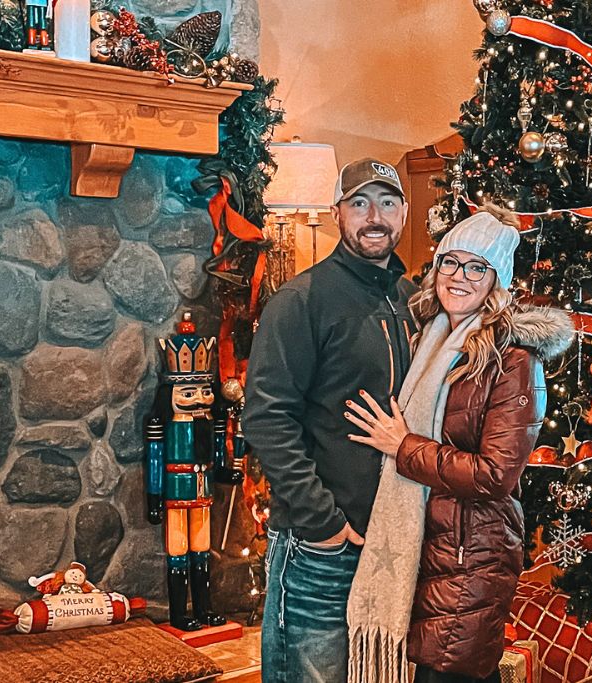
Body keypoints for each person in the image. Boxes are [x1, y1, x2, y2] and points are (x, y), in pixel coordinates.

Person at [344, 208, 574, 683]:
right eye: (451, 262)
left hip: (471, 555)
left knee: (447, 673)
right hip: (432, 546)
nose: (459, 277)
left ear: (496, 281)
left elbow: (495, 474)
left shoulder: (513, 359)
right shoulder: (430, 337)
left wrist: (402, 445)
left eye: (476, 267)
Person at [243, 158, 417, 683]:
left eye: (387, 203)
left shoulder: (413, 301)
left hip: (393, 538)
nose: (374, 217)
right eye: (360, 203)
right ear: (338, 212)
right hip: (325, 542)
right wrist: (323, 523)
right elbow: (267, 417)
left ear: (404, 213)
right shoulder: (301, 300)